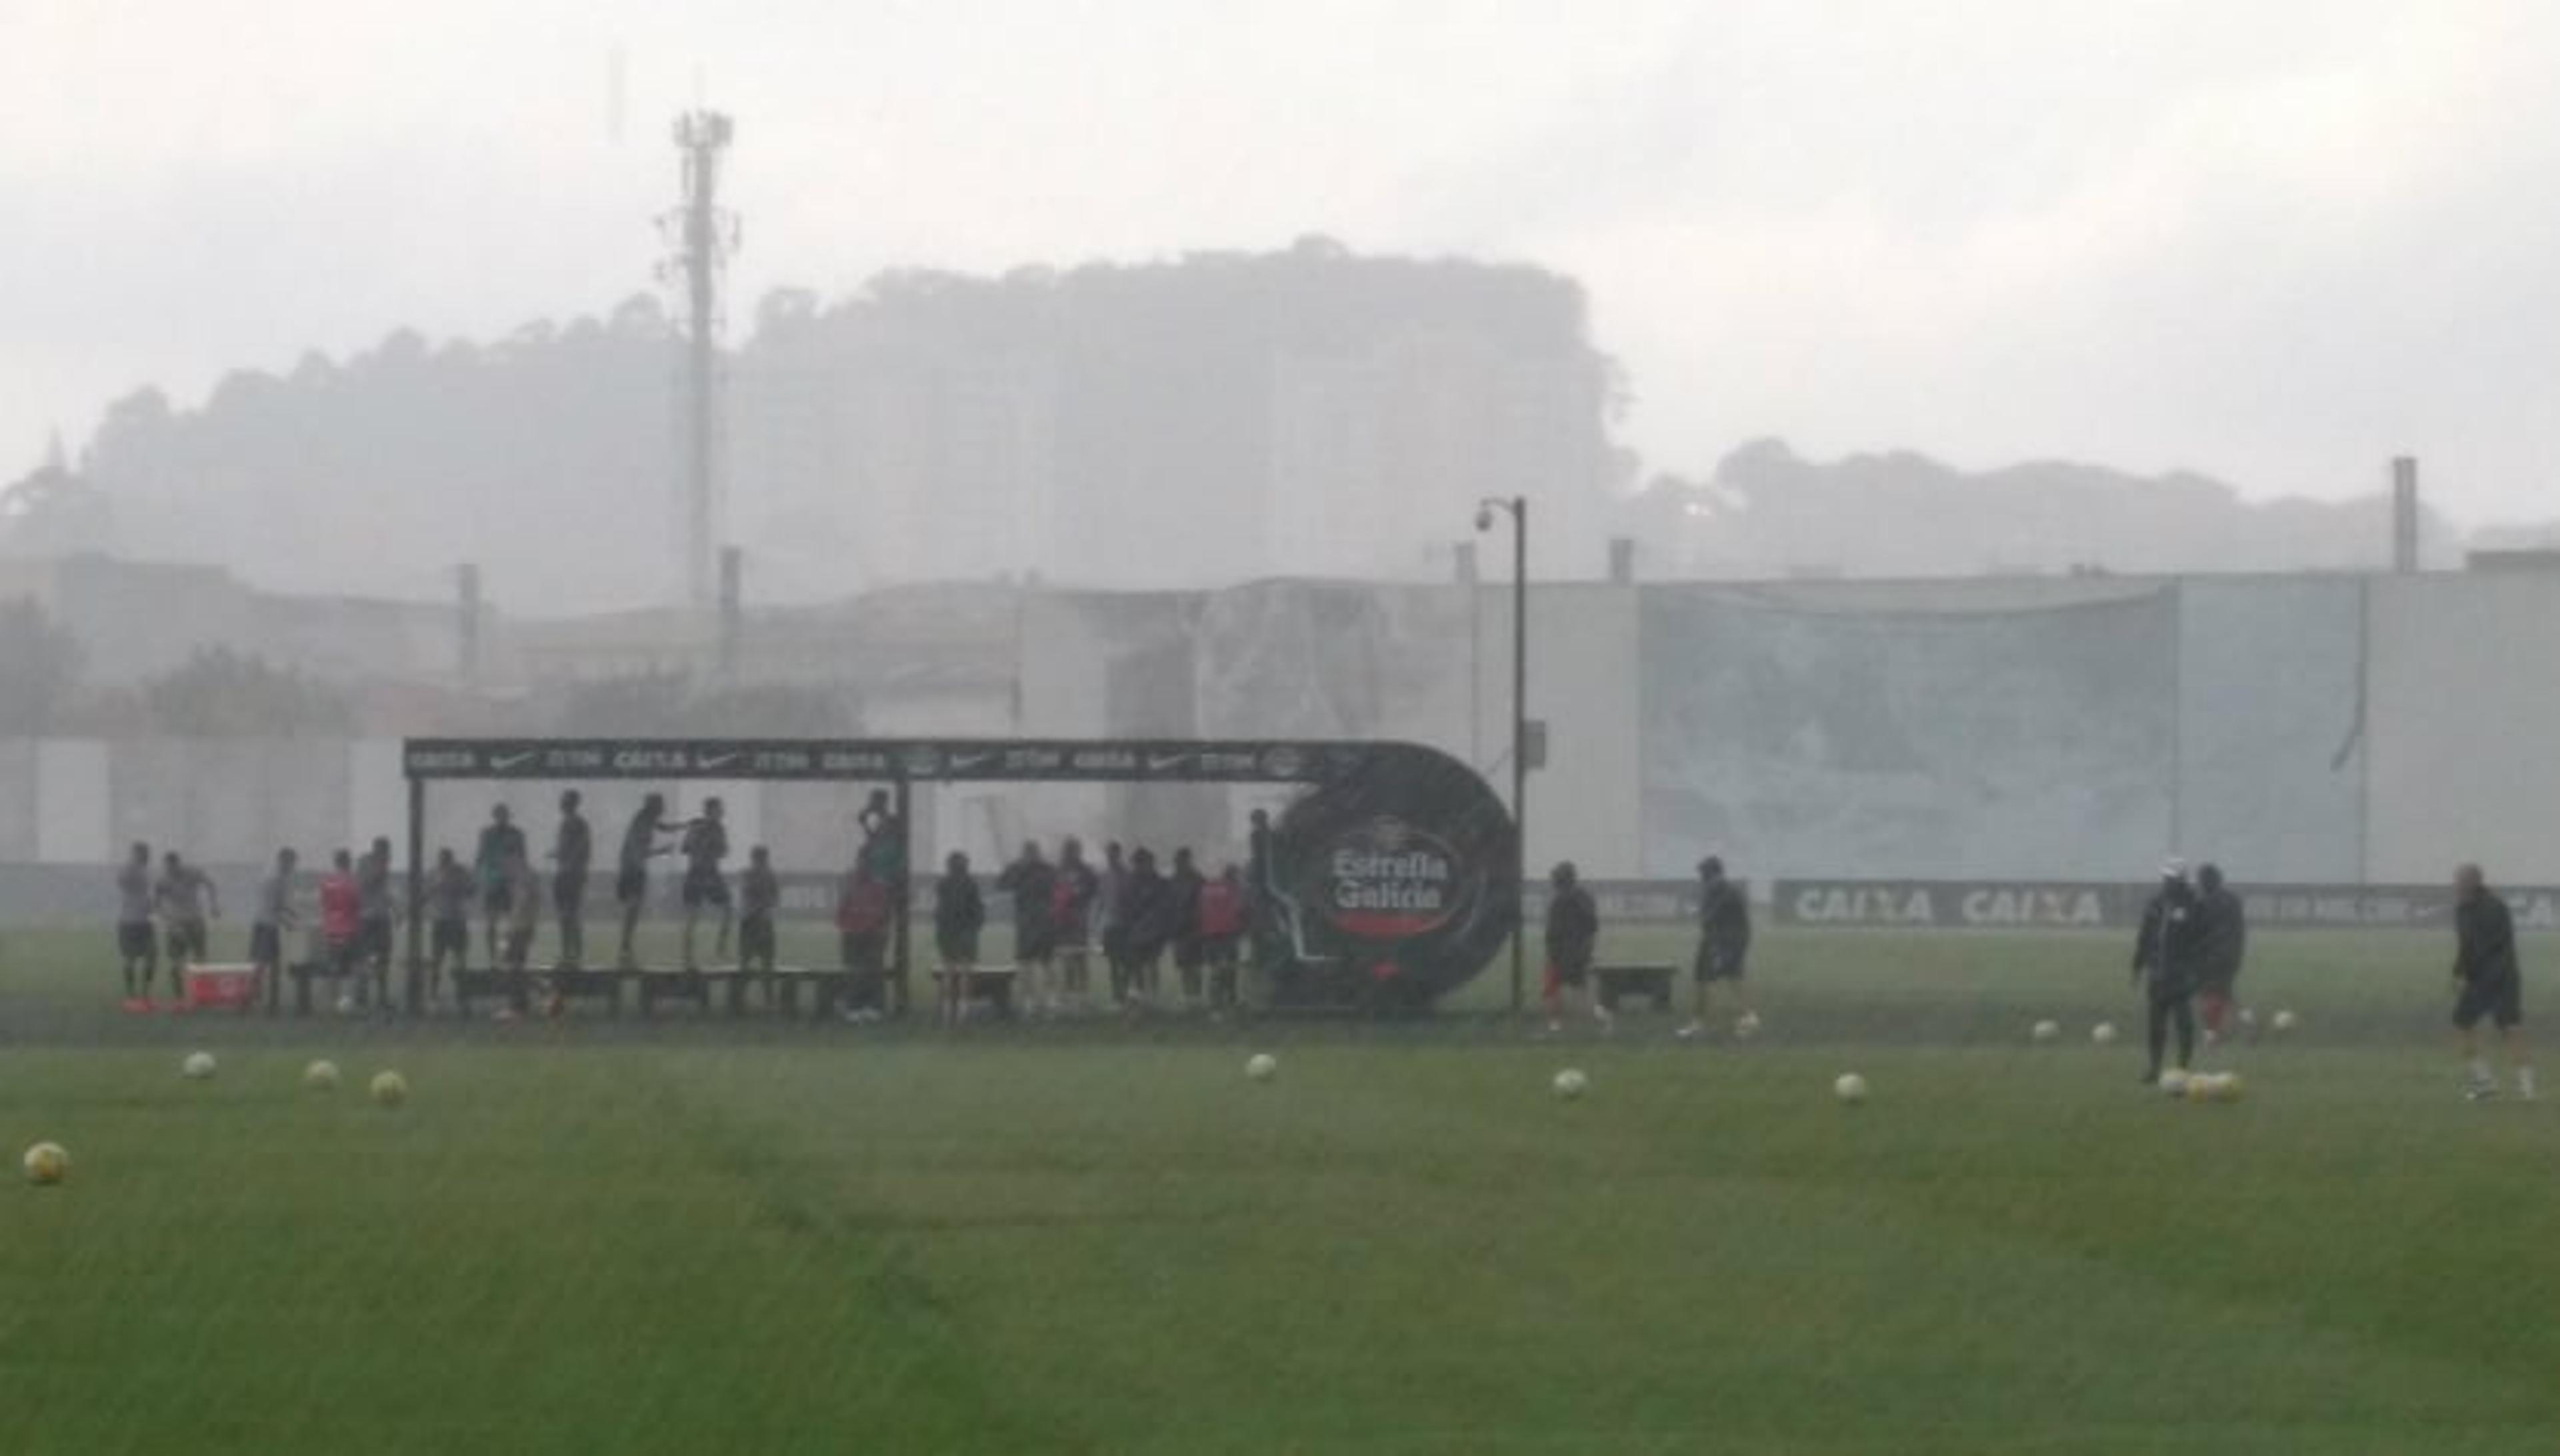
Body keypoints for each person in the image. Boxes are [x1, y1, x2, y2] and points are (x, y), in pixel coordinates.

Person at [2451, 863, 2533, 1101]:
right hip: (2480, 979)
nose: (2455, 885)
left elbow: (2497, 947)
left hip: (2500, 978)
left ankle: (2526, 1089)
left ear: (2473, 882)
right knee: (2462, 1024)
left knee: (2510, 1029)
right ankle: (2485, 1083)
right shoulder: (2462, 910)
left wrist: (2483, 976)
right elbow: (2466, 947)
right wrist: (2457, 973)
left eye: (2459, 880)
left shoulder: (2494, 907)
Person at [2131, 859, 2206, 1085]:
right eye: (2165, 878)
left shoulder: (2193, 904)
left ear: (2181, 880)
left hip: (2182, 974)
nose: (2167, 882)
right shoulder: (2155, 904)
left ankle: (2183, 1066)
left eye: (2171, 878)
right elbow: (2145, 937)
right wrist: (2137, 966)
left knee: (2184, 1022)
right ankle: (2154, 1068)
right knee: (2156, 1024)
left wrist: (2197, 970)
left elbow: (2200, 940)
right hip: (2157, 973)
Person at [1681, 856, 1752, 1037]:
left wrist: (1698, 914)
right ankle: (1747, 1016)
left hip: (1722, 942)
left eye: (1704, 874)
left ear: (1712, 874)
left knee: (1704, 980)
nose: (1702, 879)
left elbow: (1710, 918)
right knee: (1733, 978)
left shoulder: (1720, 890)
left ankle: (1699, 1023)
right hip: (1730, 941)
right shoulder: (1727, 889)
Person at [1543, 861, 1607, 1034]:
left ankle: (1555, 1023)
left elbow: (1553, 931)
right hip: (1581, 950)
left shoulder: (1558, 901)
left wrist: (1552, 953)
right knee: (1581, 988)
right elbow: (1593, 926)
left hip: (1561, 951)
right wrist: (1587, 948)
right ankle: (1599, 1017)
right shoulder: (1585, 898)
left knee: (1552, 988)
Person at [615, 793, 676, 968]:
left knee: (633, 911)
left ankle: (626, 949)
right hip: (633, 871)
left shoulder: (647, 819)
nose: (664, 809)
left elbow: (664, 828)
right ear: (654, 807)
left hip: (634, 869)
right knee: (632, 910)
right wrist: (662, 851)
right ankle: (625, 949)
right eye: (661, 805)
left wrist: (686, 825)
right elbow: (639, 851)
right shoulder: (642, 822)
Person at [996, 841, 1057, 1014]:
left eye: (1032, 853)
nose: (1031, 856)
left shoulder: (1046, 870)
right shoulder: (1020, 869)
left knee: (1045, 962)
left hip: (1042, 921)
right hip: (1028, 922)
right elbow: (1001, 884)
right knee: (1027, 963)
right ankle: (1031, 1000)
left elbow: (1056, 887)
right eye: (1029, 853)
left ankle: (1048, 999)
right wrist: (1016, 869)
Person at [2194, 863, 2248, 1045]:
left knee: (2210, 994)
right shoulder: (2232, 900)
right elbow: (2239, 930)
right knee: (2223, 992)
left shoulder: (2201, 903)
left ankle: (2213, 1033)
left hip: (2210, 957)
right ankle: (2244, 1021)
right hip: (2231, 955)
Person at [678, 797, 732, 971]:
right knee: (692, 918)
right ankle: (688, 959)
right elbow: (684, 848)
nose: (722, 812)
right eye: (719, 810)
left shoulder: (719, 829)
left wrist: (715, 847)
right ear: (710, 811)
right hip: (697, 873)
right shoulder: (697, 826)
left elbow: (724, 851)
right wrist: (698, 840)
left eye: (721, 810)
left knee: (729, 910)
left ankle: (720, 948)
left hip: (711, 873)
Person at [836, 861, 893, 1022]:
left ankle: (872, 1007)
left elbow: (883, 912)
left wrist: (875, 927)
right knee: (856, 973)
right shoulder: (851, 888)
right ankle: (855, 1006)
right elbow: (841, 913)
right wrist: (848, 927)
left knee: (872, 973)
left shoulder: (878, 888)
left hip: (871, 936)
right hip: (855, 936)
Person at [473, 804, 525, 971]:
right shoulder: (487, 834)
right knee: (491, 923)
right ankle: (493, 958)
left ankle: (508, 955)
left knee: (512, 924)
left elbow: (522, 858)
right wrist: (477, 878)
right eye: (499, 815)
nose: (502, 818)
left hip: (510, 884)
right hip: (493, 884)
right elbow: (480, 857)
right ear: (495, 816)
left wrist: (521, 881)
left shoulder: (516, 834)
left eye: (505, 815)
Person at [1120, 847, 1173, 1005]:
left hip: (1154, 931)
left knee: (1152, 964)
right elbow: (1124, 906)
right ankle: (1140, 997)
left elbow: (1166, 906)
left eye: (1144, 862)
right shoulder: (1130, 882)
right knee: (1136, 966)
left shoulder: (1160, 882)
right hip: (1135, 931)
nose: (1141, 866)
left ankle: (1154, 997)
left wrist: (1162, 927)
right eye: (1138, 863)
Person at [935, 852, 986, 1013]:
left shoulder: (943, 884)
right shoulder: (971, 884)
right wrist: (976, 925)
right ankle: (964, 1009)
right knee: (966, 972)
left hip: (947, 931)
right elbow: (977, 908)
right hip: (966, 932)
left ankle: (947, 1008)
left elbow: (940, 910)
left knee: (948, 971)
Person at [251, 847, 299, 1013]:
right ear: (284, 861)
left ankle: (256, 999)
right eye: (292, 863)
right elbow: (272, 908)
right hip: (267, 926)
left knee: (261, 964)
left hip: (262, 923)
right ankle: (268, 1003)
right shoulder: (275, 879)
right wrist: (288, 923)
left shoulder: (275, 877)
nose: (293, 867)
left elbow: (279, 904)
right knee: (268, 965)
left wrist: (292, 913)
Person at [155, 851, 218, 975]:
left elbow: (210, 884)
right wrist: (168, 922)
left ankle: (200, 988)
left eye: (173, 867)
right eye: (168, 868)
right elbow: (157, 904)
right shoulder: (162, 880)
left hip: (195, 919)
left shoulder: (192, 872)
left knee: (200, 956)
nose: (171, 871)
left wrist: (214, 905)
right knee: (175, 960)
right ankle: (179, 993)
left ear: (178, 864)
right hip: (176, 922)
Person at [1053, 837, 1099, 1003]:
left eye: (1075, 850)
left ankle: (1083, 994)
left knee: (1080, 956)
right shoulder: (1059, 870)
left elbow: (1094, 889)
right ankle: (1070, 993)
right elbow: (1052, 891)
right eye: (1069, 850)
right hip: (1063, 920)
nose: (1072, 853)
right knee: (1066, 958)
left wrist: (1079, 895)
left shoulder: (1086, 870)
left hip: (1079, 919)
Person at [551, 790, 593, 969]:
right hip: (568, 873)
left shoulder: (575, 823)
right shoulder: (571, 823)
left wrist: (569, 862)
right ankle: (571, 952)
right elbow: (576, 848)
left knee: (568, 915)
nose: (561, 803)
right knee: (567, 915)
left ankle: (572, 952)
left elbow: (581, 848)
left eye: (564, 800)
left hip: (569, 875)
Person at [1199, 863, 1247, 1010]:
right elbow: (1239, 909)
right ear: (1233, 876)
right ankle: (1228, 1000)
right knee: (1229, 969)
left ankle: (1216, 1004)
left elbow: (1201, 910)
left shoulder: (1208, 888)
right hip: (1228, 934)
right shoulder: (1233, 890)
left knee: (1216, 971)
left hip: (1209, 934)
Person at [427, 847, 473, 1002]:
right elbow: (426, 894)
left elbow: (471, 891)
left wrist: (458, 885)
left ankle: (462, 994)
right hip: (441, 921)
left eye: (446, 859)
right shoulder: (433, 874)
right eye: (442, 859)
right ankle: (434, 994)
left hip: (456, 921)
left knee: (459, 959)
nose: (444, 863)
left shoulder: (460, 873)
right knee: (437, 960)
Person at [115, 841, 157, 1005]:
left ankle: (145, 993)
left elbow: (148, 895)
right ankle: (132, 994)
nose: (148, 857)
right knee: (130, 959)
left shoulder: (146, 872)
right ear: (137, 854)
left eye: (148, 854)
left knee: (152, 956)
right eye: (144, 854)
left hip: (145, 921)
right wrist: (133, 863)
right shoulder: (129, 870)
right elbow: (122, 881)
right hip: (129, 921)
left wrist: (153, 907)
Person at [317, 849, 363, 1003]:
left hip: (331, 928)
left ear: (336, 862)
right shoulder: (352, 881)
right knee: (351, 965)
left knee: (334, 964)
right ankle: (347, 998)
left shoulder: (327, 881)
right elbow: (357, 903)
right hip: (350, 928)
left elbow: (324, 903)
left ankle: (332, 997)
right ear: (348, 862)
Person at [357, 837, 396, 1009]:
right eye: (385, 850)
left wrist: (395, 910)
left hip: (382, 918)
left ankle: (382, 997)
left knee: (384, 957)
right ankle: (362, 995)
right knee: (365, 957)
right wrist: (379, 871)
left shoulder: (384, 865)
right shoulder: (365, 862)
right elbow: (363, 885)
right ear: (377, 849)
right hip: (367, 918)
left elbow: (384, 892)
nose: (387, 854)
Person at [1168, 847, 1207, 1007]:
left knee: (1196, 963)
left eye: (1181, 860)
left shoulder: (1198, 879)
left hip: (1194, 926)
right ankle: (1187, 996)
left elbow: (1203, 904)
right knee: (1184, 964)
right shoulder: (1173, 880)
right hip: (1178, 927)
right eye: (1177, 861)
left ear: (1188, 860)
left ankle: (1196, 996)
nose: (1178, 863)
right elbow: (1169, 903)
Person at [1098, 841, 1133, 1005]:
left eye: (1114, 854)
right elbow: (1101, 901)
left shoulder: (1128, 875)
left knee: (1126, 962)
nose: (1111, 857)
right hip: (1109, 925)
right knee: (1113, 963)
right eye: (1108, 854)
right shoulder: (1104, 876)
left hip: (1125, 925)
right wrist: (1099, 921)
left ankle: (1125, 992)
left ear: (1119, 854)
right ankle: (1116, 995)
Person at [737, 845, 779, 978]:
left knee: (762, 961)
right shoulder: (754, 874)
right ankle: (766, 996)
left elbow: (774, 897)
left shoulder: (766, 875)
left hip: (755, 920)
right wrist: (764, 905)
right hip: (755, 921)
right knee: (757, 961)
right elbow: (772, 897)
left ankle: (765, 995)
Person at [502, 848, 541, 975]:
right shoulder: (521, 877)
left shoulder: (526, 877)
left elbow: (526, 900)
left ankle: (519, 987)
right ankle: (519, 986)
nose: (507, 865)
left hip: (522, 925)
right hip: (521, 924)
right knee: (515, 959)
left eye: (509, 861)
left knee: (515, 959)